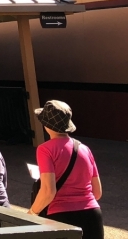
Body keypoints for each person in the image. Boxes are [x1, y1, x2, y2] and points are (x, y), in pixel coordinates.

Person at [28, 100, 103, 239]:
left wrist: (32, 212)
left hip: (61, 216)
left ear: (46, 125)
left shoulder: (45, 149)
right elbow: (97, 192)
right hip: (92, 215)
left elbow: (48, 191)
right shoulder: (85, 148)